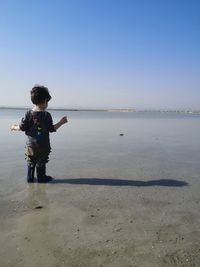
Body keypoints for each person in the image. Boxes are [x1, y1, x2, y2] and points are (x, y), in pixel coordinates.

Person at [11, 85, 68, 183]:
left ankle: (30, 178)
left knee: (31, 162)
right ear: (45, 100)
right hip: (43, 146)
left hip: (30, 146)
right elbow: (51, 129)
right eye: (48, 102)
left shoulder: (28, 114)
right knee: (41, 163)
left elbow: (22, 127)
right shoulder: (46, 115)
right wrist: (61, 122)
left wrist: (13, 127)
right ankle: (41, 178)